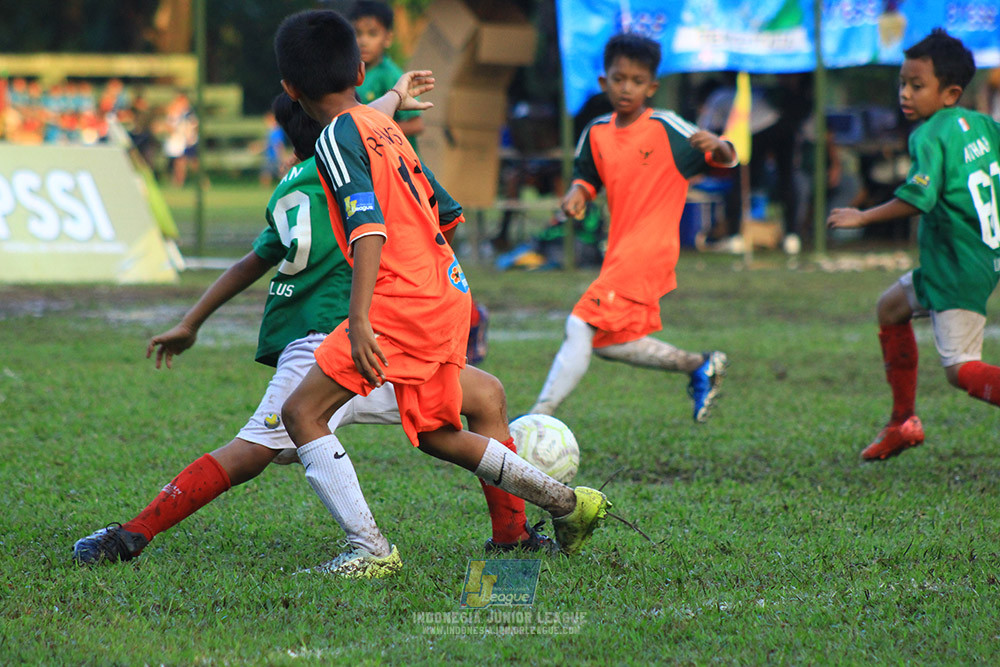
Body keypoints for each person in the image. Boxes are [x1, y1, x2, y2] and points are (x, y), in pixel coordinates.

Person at [73, 75, 549, 577]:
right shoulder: (365, 164)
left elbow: (252, 262)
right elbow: (424, 216)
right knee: (476, 399)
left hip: (347, 340)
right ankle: (134, 533)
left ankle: (506, 535)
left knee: (259, 450)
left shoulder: (296, 183)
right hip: (360, 339)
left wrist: (192, 323)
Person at [274, 9, 610, 566]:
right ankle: (565, 505)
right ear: (361, 72)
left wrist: (359, 320)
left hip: (398, 303)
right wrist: (396, 95)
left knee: (301, 414)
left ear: (290, 89)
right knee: (437, 428)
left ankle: (369, 549)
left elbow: (367, 228)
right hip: (445, 291)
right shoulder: (383, 128)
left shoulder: (333, 140)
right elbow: (440, 207)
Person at [528, 33, 737, 422]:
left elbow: (724, 158)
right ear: (604, 81)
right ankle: (698, 364)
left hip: (649, 250)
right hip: (619, 251)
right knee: (607, 341)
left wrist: (720, 145)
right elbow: (586, 177)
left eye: (637, 81)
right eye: (619, 79)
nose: (627, 88)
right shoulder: (595, 133)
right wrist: (578, 194)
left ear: (651, 87)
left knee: (580, 321)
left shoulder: (666, 127)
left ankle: (537, 417)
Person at [828, 29, 1000, 460]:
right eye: (902, 83)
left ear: (950, 92)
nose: (905, 93)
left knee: (961, 370)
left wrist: (862, 216)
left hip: (958, 266)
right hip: (969, 255)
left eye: (916, 86)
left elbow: (918, 198)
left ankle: (904, 422)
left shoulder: (927, 136)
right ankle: (902, 423)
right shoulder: (981, 124)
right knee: (890, 308)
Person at [349, 0, 423, 153]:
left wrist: (372, 131)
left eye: (372, 34)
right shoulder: (350, 74)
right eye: (358, 33)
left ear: (388, 38)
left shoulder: (391, 75)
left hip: (397, 165)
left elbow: (416, 124)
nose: (363, 41)